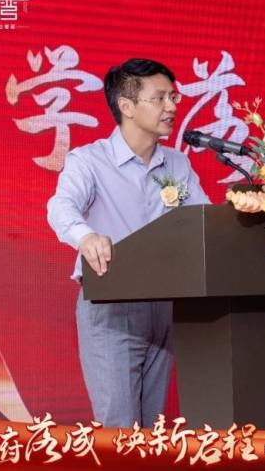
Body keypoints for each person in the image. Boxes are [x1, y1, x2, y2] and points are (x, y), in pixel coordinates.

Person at [47, 58, 210, 427]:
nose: (171, 107)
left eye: (173, 97)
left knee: (152, 429)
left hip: (166, 304)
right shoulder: (89, 161)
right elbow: (61, 206)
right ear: (127, 106)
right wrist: (86, 236)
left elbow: (202, 221)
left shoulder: (178, 165)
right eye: (159, 98)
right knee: (119, 427)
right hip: (112, 306)